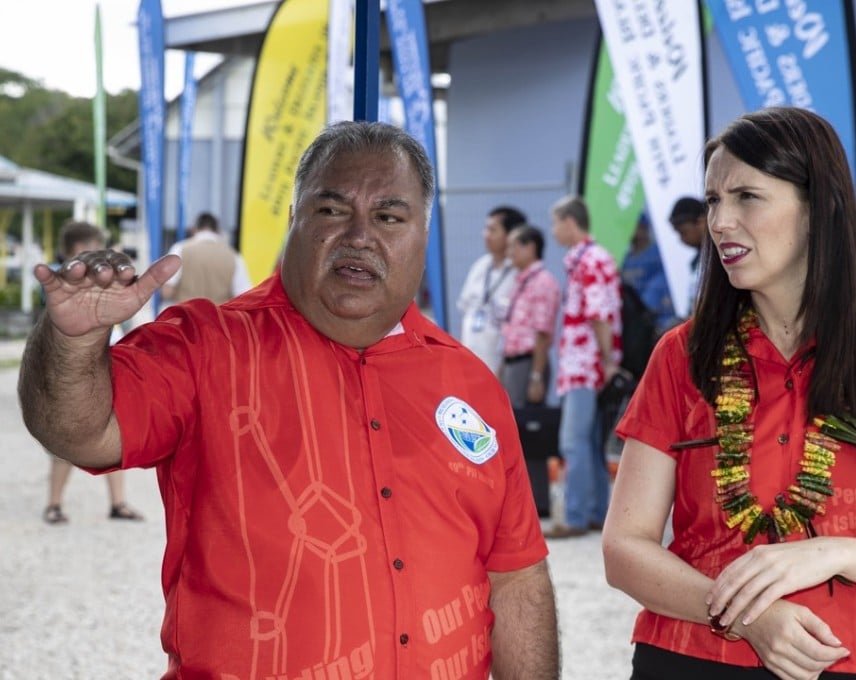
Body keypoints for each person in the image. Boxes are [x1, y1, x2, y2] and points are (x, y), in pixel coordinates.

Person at [19, 121, 559, 678]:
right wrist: (74, 341)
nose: (359, 235)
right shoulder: (205, 346)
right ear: (294, 221)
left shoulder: (470, 383)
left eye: (389, 217)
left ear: (424, 235)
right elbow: (78, 429)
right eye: (331, 211)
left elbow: (516, 575)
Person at [602, 107, 856, 679]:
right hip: (692, 655)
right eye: (713, 200)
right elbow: (624, 549)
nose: (721, 222)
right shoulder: (681, 354)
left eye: (747, 197)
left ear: (817, 207)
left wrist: (831, 551)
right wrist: (747, 615)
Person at [41, 220, 143, 525]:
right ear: (74, 252)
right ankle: (55, 504)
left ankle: (117, 502)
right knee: (64, 440)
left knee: (115, 433)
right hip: (70, 372)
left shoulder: (99, 280)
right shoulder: (60, 284)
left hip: (105, 365)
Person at [543, 194, 622, 539]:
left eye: (556, 222)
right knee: (589, 441)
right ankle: (596, 513)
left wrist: (606, 360)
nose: (553, 230)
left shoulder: (589, 261)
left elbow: (599, 314)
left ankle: (575, 516)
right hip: (587, 364)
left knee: (574, 441)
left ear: (570, 223)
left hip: (584, 366)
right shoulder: (589, 259)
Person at [456, 205, 525, 374]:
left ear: (510, 235)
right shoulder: (480, 266)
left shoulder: (519, 273)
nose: (485, 235)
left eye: (492, 230)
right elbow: (465, 311)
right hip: (470, 363)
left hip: (502, 368)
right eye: (486, 229)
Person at [499, 224, 560, 409]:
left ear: (531, 248)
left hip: (528, 364)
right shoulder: (520, 281)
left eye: (514, 246)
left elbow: (542, 334)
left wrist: (536, 376)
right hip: (513, 363)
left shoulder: (543, 282)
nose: (509, 253)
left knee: (525, 426)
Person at [161, 211, 252, 304]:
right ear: (217, 231)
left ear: (194, 229)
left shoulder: (180, 249)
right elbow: (244, 297)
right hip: (218, 316)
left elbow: (167, 291)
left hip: (187, 315)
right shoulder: (234, 256)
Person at [621, 213, 674, 335]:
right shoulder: (626, 258)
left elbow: (661, 284)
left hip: (657, 317)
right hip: (633, 318)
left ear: (643, 227)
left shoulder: (656, 253)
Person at [668, 196, 707, 320]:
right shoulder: (696, 262)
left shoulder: (721, 258)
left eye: (683, 232)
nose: (681, 239)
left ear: (701, 222)